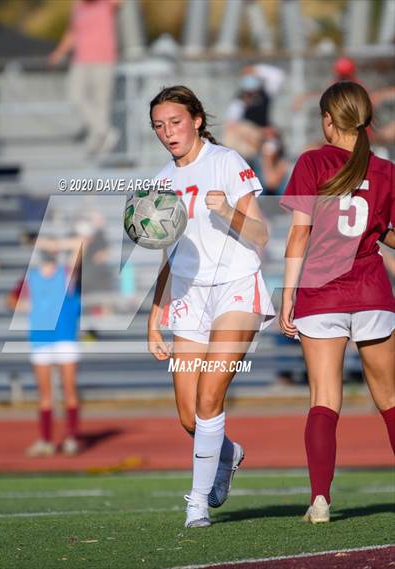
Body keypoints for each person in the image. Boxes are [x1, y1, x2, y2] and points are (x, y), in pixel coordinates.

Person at [147, 86, 274, 528]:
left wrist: (228, 214)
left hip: (236, 286)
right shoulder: (162, 180)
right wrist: (154, 315)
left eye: (176, 122)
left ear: (197, 119)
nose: (168, 132)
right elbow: (168, 252)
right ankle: (228, 453)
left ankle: (197, 504)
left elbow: (261, 235)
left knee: (208, 397)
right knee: (189, 414)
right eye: (159, 126)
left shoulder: (227, 163)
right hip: (188, 295)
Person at [279, 81, 395, 523]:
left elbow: (299, 233)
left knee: (324, 400)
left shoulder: (313, 161)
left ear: (328, 119)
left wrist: (287, 295)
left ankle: (321, 500)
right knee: (389, 401)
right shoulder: (386, 170)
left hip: (322, 293)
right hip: (371, 291)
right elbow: (387, 233)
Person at [8, 241, 82, 457]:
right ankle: (47, 440)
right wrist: (34, 307)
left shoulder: (66, 273)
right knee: (45, 395)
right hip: (41, 339)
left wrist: (56, 244)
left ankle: (71, 438)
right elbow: (12, 300)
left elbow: (79, 250)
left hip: (65, 338)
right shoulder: (31, 278)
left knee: (69, 391)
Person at [48, 0, 122, 156]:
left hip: (103, 60)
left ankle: (98, 141)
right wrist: (58, 54)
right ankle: (104, 131)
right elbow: (72, 33)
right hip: (81, 60)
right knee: (75, 97)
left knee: (100, 103)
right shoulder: (78, 6)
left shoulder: (107, 4)